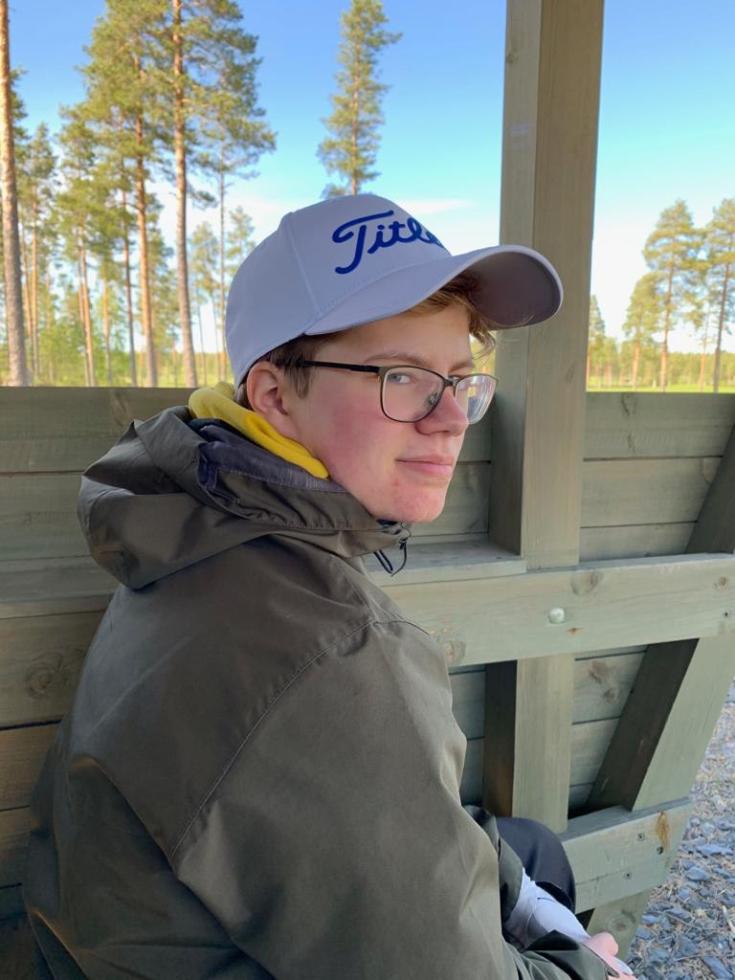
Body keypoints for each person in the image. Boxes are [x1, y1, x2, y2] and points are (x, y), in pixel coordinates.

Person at [25, 193, 634, 979]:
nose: (450, 418)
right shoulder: (328, 654)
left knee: (527, 855)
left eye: (459, 379)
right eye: (402, 376)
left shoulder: (187, 529)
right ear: (275, 396)